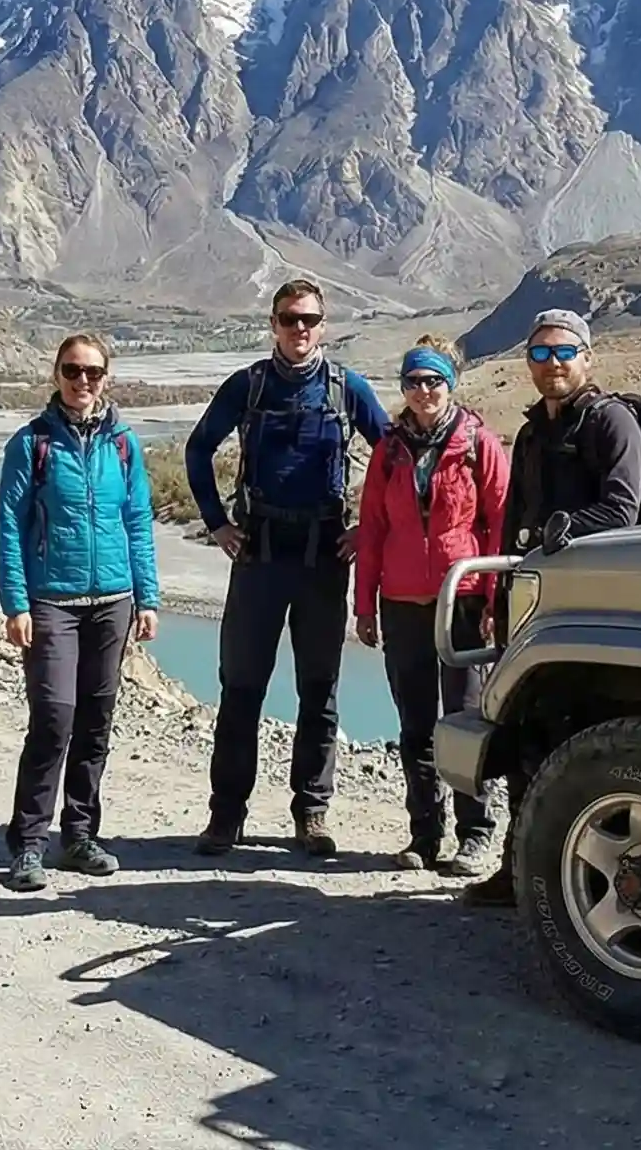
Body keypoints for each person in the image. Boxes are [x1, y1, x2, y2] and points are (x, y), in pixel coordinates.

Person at [184, 276, 390, 857]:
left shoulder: (347, 389)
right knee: (241, 687)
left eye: (309, 319)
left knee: (318, 690)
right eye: (288, 318)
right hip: (258, 554)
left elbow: (393, 455)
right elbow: (198, 449)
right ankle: (226, 816)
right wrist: (216, 522)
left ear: (324, 326)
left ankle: (312, 812)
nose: (299, 329)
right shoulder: (248, 386)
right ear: (272, 324)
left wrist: (367, 528)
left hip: (324, 555)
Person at [460, 308, 641, 908]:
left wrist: (563, 530)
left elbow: (623, 511)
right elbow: (513, 518)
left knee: (583, 741)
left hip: (598, 613)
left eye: (563, 352)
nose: (552, 364)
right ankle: (520, 870)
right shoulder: (534, 429)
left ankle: (582, 883)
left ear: (588, 357)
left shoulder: (611, 422)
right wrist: (497, 594)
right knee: (526, 735)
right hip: (532, 605)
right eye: (539, 355)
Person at [0, 333, 161, 892]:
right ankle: (28, 842)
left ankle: (81, 834)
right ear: (57, 373)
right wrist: (16, 603)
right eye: (72, 370)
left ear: (106, 377)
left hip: (112, 600)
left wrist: (148, 596)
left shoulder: (123, 444)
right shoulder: (32, 443)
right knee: (53, 719)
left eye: (92, 372)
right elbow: (10, 528)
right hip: (53, 602)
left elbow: (138, 520)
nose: (82, 381)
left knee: (96, 722)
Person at [353, 335, 509, 874]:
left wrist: (493, 595)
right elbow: (371, 529)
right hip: (401, 602)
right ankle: (425, 835)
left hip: (461, 599)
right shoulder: (389, 449)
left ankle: (476, 832)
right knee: (415, 725)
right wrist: (364, 604)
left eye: (433, 381)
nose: (423, 392)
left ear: (451, 384)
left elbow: (499, 523)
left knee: (465, 719)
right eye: (413, 382)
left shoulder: (477, 443)